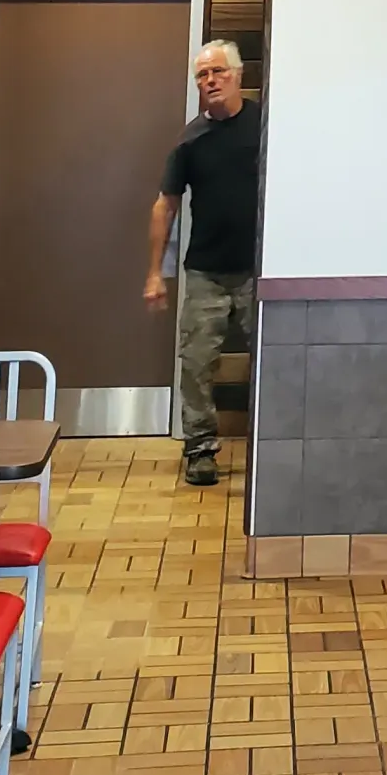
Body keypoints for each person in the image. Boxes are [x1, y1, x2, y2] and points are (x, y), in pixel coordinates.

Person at [144, 39, 262, 487]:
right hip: (206, 273)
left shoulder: (266, 126)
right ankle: (199, 451)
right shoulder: (190, 139)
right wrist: (156, 272)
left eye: (218, 72)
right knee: (195, 364)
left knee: (271, 360)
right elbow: (165, 205)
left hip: (260, 272)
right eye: (202, 75)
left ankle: (268, 444)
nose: (210, 81)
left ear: (238, 76)